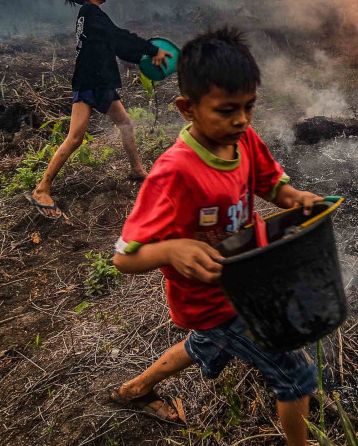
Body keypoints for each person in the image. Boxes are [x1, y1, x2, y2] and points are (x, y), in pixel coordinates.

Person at [109, 27, 322, 446]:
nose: (241, 120)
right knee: (293, 371)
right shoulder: (175, 173)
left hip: (244, 281)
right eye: (226, 110)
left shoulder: (243, 140)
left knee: (205, 346)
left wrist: (293, 196)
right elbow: (124, 257)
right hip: (211, 300)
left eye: (248, 107)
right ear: (187, 108)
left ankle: (135, 390)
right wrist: (172, 248)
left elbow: (271, 183)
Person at [29, 0, 171, 219]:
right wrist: (152, 49)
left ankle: (136, 170)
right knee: (75, 137)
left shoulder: (89, 16)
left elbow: (115, 46)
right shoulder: (91, 12)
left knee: (125, 124)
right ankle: (42, 189)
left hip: (99, 81)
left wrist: (146, 55)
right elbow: (118, 36)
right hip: (89, 83)